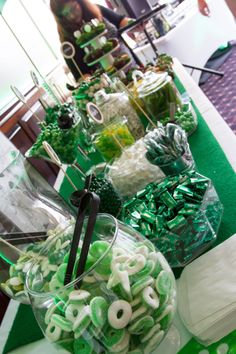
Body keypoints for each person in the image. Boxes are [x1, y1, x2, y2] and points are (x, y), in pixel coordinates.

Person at [50, 0, 134, 81]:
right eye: (66, 14)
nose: (72, 15)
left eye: (73, 8)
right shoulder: (67, 39)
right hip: (112, 84)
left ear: (80, 2)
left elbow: (120, 20)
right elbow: (79, 74)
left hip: (133, 68)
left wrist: (134, 24)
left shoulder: (97, 10)